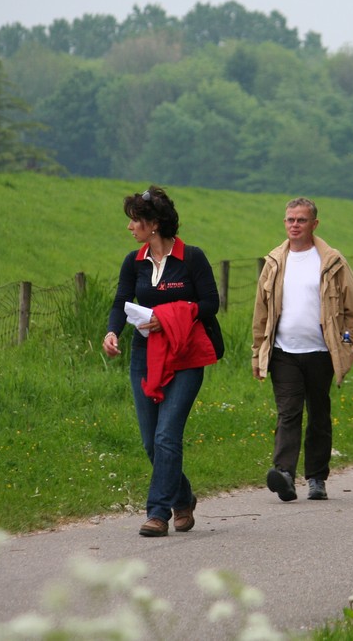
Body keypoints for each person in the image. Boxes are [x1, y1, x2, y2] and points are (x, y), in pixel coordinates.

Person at [103, 186, 222, 537]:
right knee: (150, 441)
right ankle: (183, 499)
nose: (130, 227)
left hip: (185, 355)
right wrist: (112, 332)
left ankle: (157, 513)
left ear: (154, 224)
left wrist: (167, 317)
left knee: (167, 435)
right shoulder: (134, 261)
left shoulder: (192, 258)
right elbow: (121, 302)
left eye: (135, 221)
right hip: (145, 356)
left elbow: (210, 304)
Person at [252, 198, 353, 502]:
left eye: (301, 220)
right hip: (283, 352)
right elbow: (261, 313)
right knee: (288, 413)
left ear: (314, 224)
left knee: (318, 414)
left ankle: (316, 478)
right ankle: (284, 475)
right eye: (290, 220)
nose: (295, 225)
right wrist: (257, 352)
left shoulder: (332, 261)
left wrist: (346, 343)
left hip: (321, 352)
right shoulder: (274, 262)